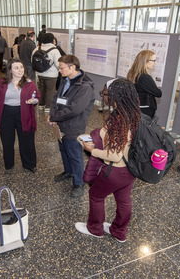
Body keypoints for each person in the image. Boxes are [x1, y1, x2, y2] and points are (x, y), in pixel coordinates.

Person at [75, 78, 140, 243]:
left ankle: (94, 228)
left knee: (96, 196)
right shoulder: (134, 114)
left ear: (114, 96)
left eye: (104, 93)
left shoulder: (119, 120)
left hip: (114, 170)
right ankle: (119, 232)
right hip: (130, 170)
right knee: (124, 201)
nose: (103, 96)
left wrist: (92, 150)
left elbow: (115, 155)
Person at [48, 55, 95, 197]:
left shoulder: (85, 87)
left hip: (74, 125)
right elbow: (56, 97)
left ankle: (79, 183)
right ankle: (68, 172)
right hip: (61, 123)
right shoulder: (66, 79)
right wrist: (52, 114)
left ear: (72, 67)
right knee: (64, 149)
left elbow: (75, 109)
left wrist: (54, 116)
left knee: (74, 155)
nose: (60, 70)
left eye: (62, 68)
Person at [126, 50, 162, 118]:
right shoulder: (145, 77)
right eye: (153, 60)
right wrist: (155, 87)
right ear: (145, 61)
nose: (155, 63)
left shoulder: (132, 73)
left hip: (135, 106)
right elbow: (158, 93)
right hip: (145, 109)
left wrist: (151, 86)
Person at [33, 33, 61, 112]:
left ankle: (41, 105)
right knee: (50, 90)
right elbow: (58, 64)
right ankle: (48, 107)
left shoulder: (37, 49)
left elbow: (33, 60)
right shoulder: (55, 50)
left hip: (40, 73)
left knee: (41, 89)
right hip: (51, 75)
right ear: (52, 40)